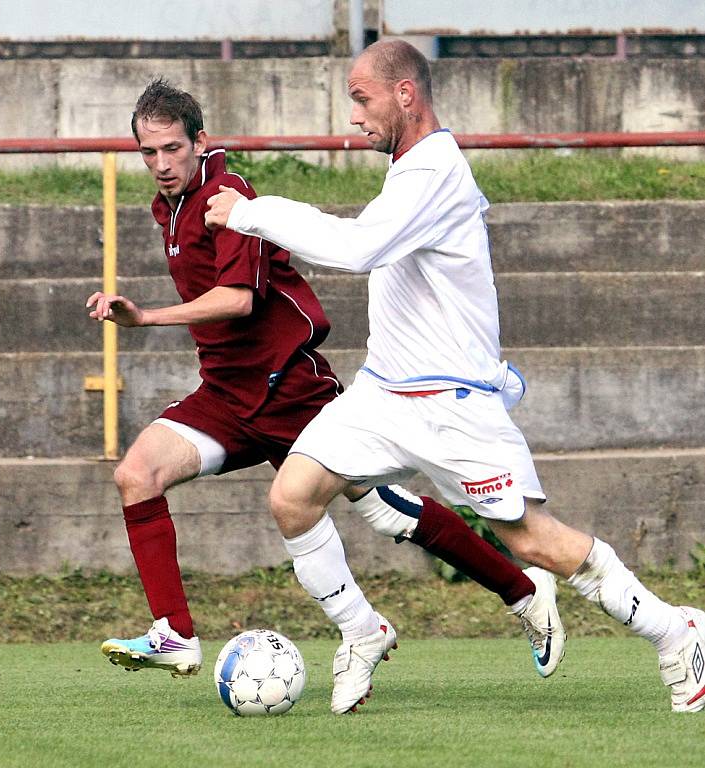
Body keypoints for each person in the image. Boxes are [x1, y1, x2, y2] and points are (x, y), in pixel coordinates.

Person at [205, 40, 705, 714]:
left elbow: (356, 248)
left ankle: (676, 633)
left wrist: (251, 211)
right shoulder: (408, 168)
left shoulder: (434, 171)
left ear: (405, 94)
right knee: (293, 496)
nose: (353, 115)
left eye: (362, 98)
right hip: (384, 394)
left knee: (536, 543)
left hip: (451, 406)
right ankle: (363, 630)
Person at [86, 78, 565, 713]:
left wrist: (143, 317)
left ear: (201, 142)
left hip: (291, 391)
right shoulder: (166, 206)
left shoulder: (227, 197)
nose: (161, 164)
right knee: (136, 474)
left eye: (173, 148)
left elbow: (240, 300)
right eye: (148, 153)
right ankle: (176, 633)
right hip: (226, 396)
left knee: (389, 511)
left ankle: (525, 594)